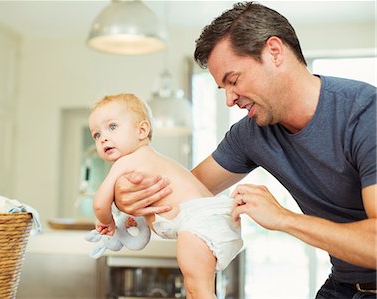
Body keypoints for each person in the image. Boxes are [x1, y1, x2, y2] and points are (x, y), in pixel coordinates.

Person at [113, 2, 377, 298]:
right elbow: (183, 191)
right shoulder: (252, 133)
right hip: (343, 285)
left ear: (274, 52)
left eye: (234, 80)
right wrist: (128, 198)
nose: (229, 100)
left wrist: (283, 218)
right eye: (222, 89)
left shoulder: (365, 114)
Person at [88, 93, 243, 299]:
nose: (104, 137)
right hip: (210, 218)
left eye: (112, 127)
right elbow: (149, 207)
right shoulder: (150, 159)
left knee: (199, 290)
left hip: (200, 220)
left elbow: (100, 204)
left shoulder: (126, 162)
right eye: (96, 135)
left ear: (142, 130)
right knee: (195, 289)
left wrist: (107, 223)